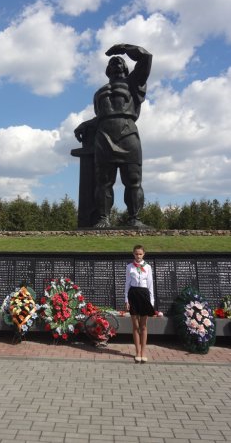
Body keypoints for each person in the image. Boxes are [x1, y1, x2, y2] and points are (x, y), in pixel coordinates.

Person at [74, 43, 152, 228]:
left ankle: (134, 218)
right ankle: (103, 218)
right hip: (104, 135)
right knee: (103, 181)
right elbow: (102, 116)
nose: (116, 62)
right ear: (107, 70)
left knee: (133, 180)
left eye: (120, 61)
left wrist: (124, 48)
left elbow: (146, 57)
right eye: (112, 62)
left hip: (128, 132)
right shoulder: (99, 92)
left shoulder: (133, 83)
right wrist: (86, 124)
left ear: (126, 68)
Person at [125, 244, 155, 364]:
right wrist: (126, 300)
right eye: (136, 254)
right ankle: (137, 351)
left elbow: (150, 285)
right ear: (133, 254)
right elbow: (127, 284)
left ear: (144, 254)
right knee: (135, 325)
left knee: (143, 326)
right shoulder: (129, 267)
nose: (138, 256)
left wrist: (151, 302)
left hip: (144, 295)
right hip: (133, 294)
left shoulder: (147, 267)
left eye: (140, 254)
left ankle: (143, 352)